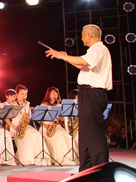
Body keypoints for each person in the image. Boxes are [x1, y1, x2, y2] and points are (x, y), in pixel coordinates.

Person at [45, 24, 112, 171]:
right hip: (87, 93)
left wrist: (62, 56)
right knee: (86, 134)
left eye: (82, 35)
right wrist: (65, 58)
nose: (81, 38)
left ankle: (100, 169)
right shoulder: (94, 51)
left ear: (89, 35)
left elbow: (84, 62)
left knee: (93, 133)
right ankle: (87, 169)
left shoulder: (98, 49)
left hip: (92, 93)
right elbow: (83, 66)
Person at [39, 87, 77, 165]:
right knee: (59, 138)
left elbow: (62, 120)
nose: (55, 96)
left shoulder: (59, 105)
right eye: (53, 93)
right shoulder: (43, 105)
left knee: (68, 138)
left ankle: (69, 158)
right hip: (46, 127)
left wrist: (61, 116)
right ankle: (58, 159)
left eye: (56, 94)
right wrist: (45, 124)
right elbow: (39, 119)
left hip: (56, 126)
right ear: (48, 94)